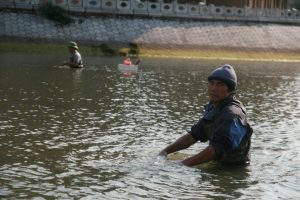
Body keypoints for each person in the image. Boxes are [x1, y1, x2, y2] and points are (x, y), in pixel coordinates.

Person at [159, 64, 253, 167]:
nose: (213, 89)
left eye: (220, 85)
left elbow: (216, 150)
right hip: (218, 165)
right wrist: (163, 153)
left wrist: (182, 164)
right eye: (211, 84)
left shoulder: (232, 114)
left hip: (233, 171)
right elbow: (194, 135)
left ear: (230, 90)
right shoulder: (214, 107)